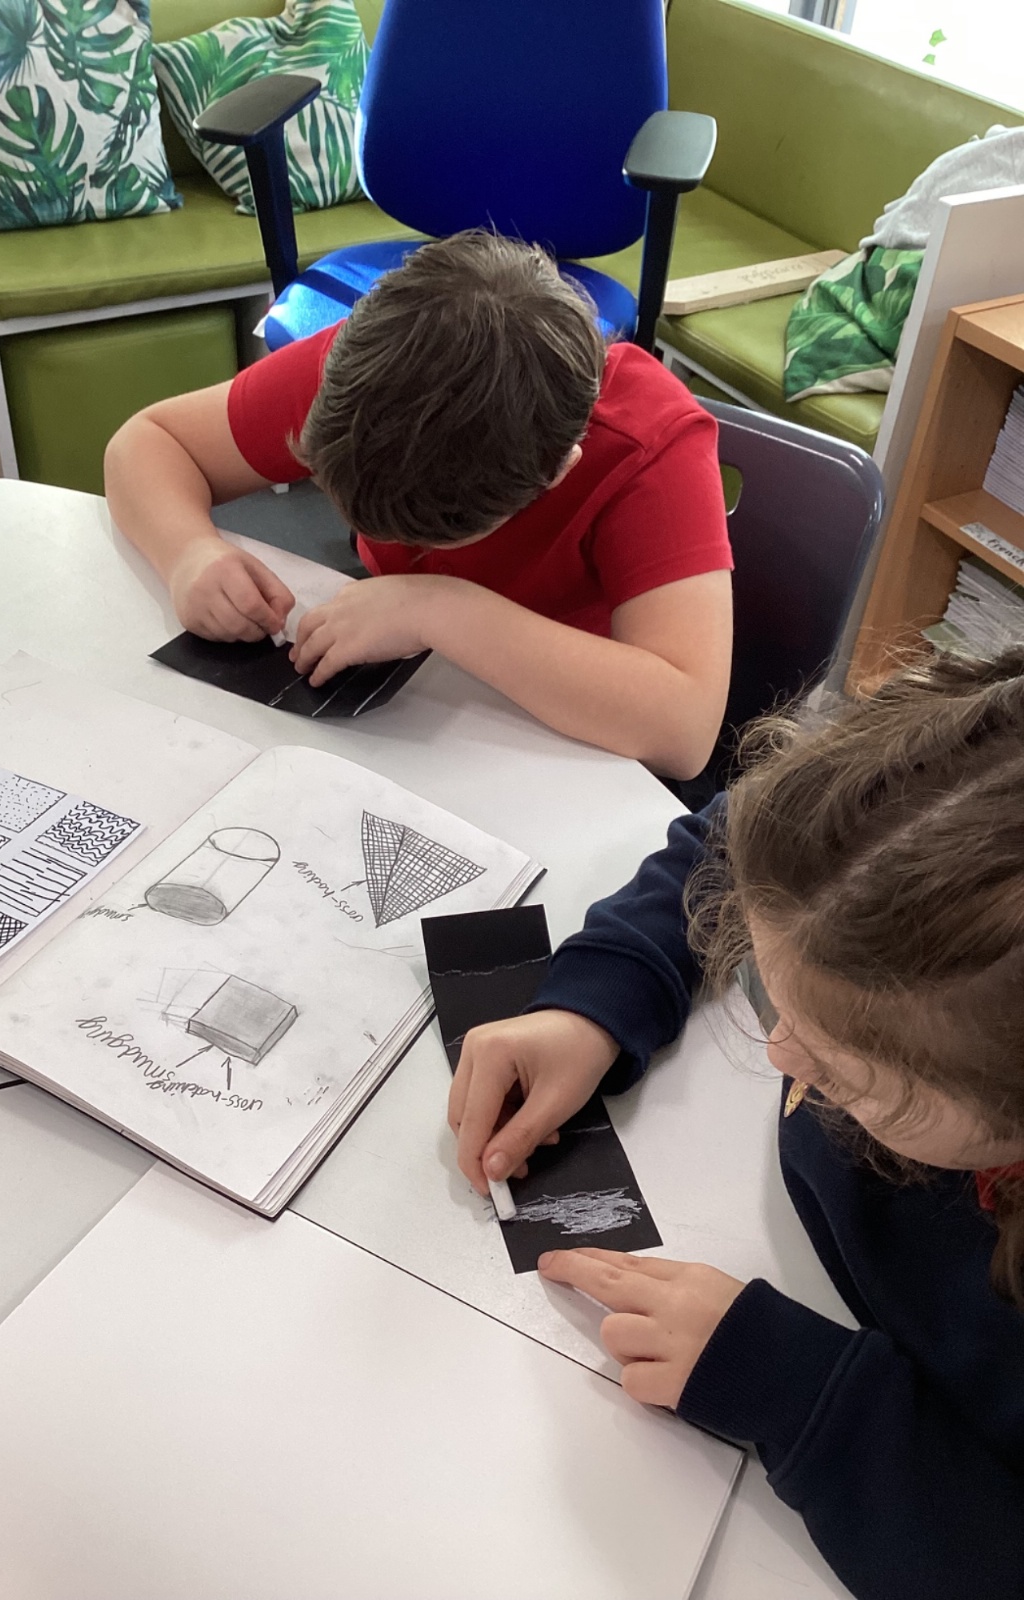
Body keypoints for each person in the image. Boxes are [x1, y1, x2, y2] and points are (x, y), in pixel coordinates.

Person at [448, 647, 1024, 1600]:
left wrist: (803, 1393)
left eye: (842, 1069)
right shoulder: (914, 824)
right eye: (769, 986)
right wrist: (602, 998)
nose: (780, 1054)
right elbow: (755, 847)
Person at [104, 230, 733, 776]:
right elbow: (150, 441)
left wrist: (439, 609)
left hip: (567, 734)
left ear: (557, 471)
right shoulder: (376, 371)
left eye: (435, 537)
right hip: (416, 704)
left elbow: (684, 731)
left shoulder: (650, 446)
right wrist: (188, 552)